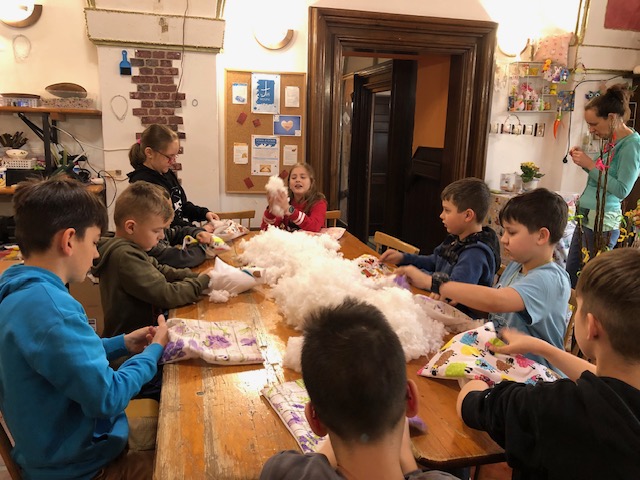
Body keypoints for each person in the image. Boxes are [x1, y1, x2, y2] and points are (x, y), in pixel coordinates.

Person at [0, 177, 169, 479]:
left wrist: (121, 344)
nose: (95, 254)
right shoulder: (53, 309)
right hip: (80, 468)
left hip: (47, 454)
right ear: (68, 240)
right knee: (185, 460)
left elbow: (59, 356)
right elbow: (109, 397)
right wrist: (154, 352)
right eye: (93, 242)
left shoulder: (19, 289)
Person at [457, 248, 640, 478]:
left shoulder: (553, 406)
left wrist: (475, 382)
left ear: (592, 326)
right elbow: (607, 380)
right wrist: (542, 347)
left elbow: (471, 405)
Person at [260, 298, 457, 480]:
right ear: (411, 398)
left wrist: (335, 420)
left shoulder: (283, 472)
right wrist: (408, 465)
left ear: (314, 420)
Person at [397, 188, 570, 371]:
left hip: (537, 373)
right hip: (502, 360)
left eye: (511, 233)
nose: (503, 239)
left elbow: (497, 301)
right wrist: (458, 300)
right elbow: (495, 312)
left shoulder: (550, 279)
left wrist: (433, 283)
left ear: (541, 236)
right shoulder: (517, 265)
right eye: (504, 232)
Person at [92, 181, 211, 338]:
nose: (161, 236)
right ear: (131, 227)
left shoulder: (132, 248)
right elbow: (166, 294)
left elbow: (160, 270)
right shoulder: (124, 256)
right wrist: (201, 283)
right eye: (157, 231)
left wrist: (197, 276)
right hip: (132, 345)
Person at [380, 177, 500, 316]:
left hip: (457, 319)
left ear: (468, 215)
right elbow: (434, 261)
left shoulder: (475, 254)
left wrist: (419, 277)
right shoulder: (456, 238)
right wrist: (403, 258)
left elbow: (453, 289)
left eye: (447, 210)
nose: (441, 215)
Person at [566, 83, 640, 288]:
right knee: (571, 278)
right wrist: (584, 163)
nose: (591, 130)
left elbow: (622, 190)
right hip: (586, 218)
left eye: (594, 124)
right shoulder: (613, 142)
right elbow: (602, 179)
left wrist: (590, 165)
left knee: (588, 283)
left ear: (612, 118)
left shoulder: (632, 145)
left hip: (602, 223)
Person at [128, 124, 219, 267]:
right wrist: (197, 230)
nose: (173, 161)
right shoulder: (143, 183)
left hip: (174, 239)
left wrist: (204, 213)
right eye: (169, 157)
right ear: (149, 153)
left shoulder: (166, 173)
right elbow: (166, 222)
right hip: (161, 250)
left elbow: (182, 205)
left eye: (175, 156)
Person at [261, 163, 327, 232]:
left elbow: (314, 227)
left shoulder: (319, 202)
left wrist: (289, 210)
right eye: (293, 178)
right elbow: (267, 230)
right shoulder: (286, 201)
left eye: (303, 177)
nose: (297, 180)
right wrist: (272, 210)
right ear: (289, 184)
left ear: (311, 182)